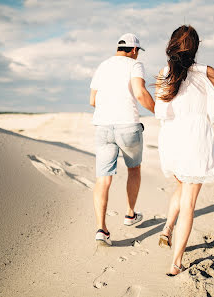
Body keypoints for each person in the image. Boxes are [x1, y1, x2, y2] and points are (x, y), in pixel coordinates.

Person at [154, 25, 214, 276]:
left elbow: (161, 111)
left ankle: (166, 229)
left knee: (182, 186)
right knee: (189, 202)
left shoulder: (164, 72)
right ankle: (176, 262)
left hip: (171, 137)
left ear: (173, 45)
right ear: (196, 47)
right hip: (195, 138)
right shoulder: (207, 71)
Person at [90, 33, 155, 246]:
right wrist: (158, 110)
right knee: (134, 168)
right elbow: (139, 93)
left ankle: (102, 228)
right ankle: (129, 214)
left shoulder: (102, 66)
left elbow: (92, 100)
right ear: (134, 50)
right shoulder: (135, 65)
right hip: (128, 126)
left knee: (103, 178)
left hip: (103, 127)